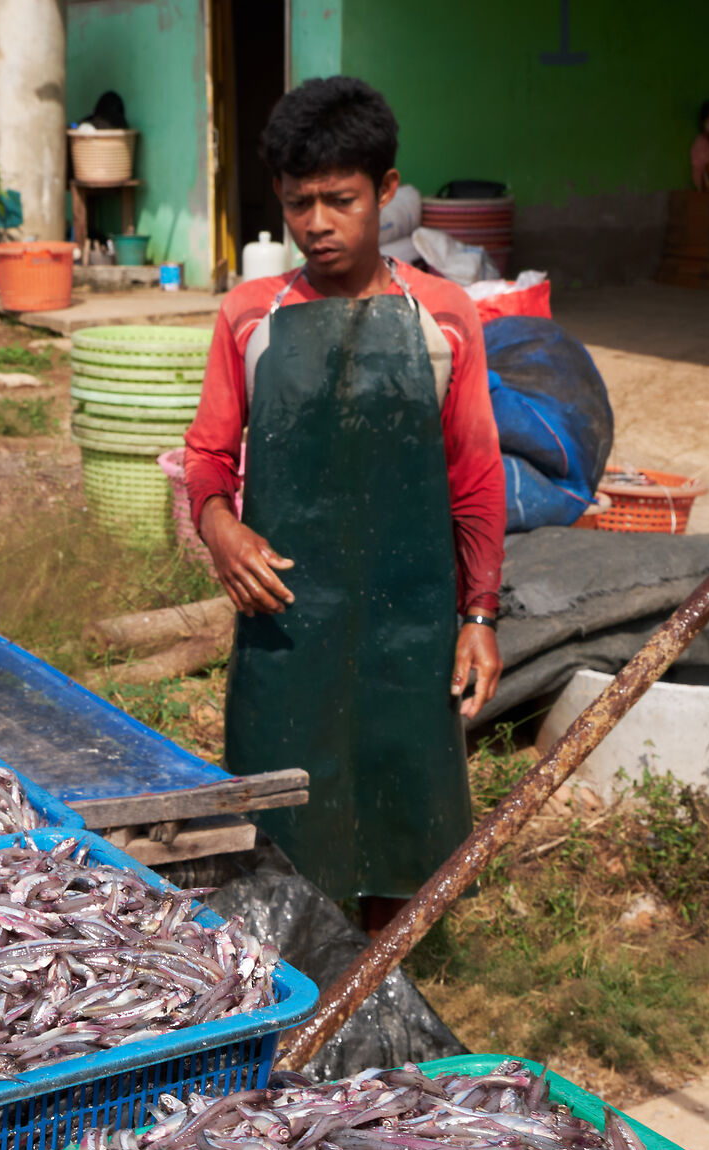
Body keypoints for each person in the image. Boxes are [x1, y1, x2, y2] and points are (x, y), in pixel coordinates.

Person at [183, 76, 505, 931]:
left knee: (404, 806)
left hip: (413, 617)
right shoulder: (251, 316)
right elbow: (207, 454)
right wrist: (219, 527)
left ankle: (380, 982)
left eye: (340, 200)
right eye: (298, 204)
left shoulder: (445, 316)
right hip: (286, 619)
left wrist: (478, 613)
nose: (318, 224)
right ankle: (292, 977)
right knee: (285, 816)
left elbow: (475, 476)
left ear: (387, 190)